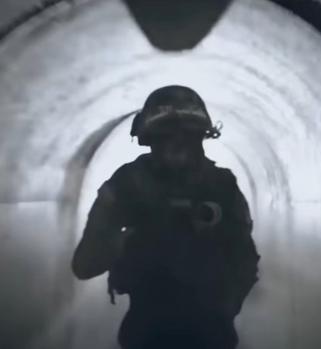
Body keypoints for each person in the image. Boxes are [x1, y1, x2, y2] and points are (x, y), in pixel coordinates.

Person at [72, 85, 260, 349]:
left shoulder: (221, 185)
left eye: (188, 138)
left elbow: (246, 261)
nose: (179, 147)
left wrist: (224, 305)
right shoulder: (127, 185)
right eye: (168, 137)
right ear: (151, 141)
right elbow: (84, 264)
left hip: (209, 331)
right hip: (149, 329)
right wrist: (129, 238)